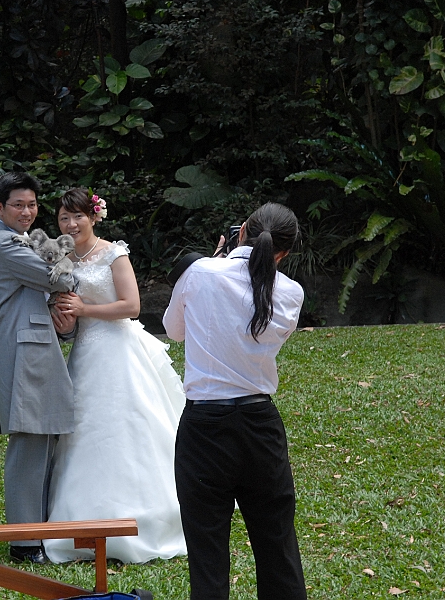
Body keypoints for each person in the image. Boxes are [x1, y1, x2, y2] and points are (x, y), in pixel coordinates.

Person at [163, 202, 306, 600]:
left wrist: (213, 262)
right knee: (277, 545)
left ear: (241, 230)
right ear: (285, 253)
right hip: (260, 425)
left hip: (205, 426)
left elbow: (173, 330)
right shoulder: (291, 292)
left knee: (207, 552)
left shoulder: (200, 272)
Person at [43, 188, 187, 563]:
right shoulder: (60, 258)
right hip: (84, 351)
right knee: (84, 429)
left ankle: (148, 515)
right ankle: (82, 516)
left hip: (119, 350)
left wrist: (84, 309)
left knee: (127, 425)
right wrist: (65, 319)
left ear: (94, 217)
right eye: (63, 218)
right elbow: (64, 308)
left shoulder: (114, 253)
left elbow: (132, 306)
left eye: (78, 216)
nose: (71, 224)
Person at [0, 171, 78, 564]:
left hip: (36, 346)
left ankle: (39, 532)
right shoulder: (6, 244)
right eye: (18, 205)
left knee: (43, 440)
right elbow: (61, 277)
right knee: (29, 443)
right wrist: (70, 259)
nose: (27, 212)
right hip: (25, 351)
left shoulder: (24, 240)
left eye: (32, 204)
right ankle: (24, 542)